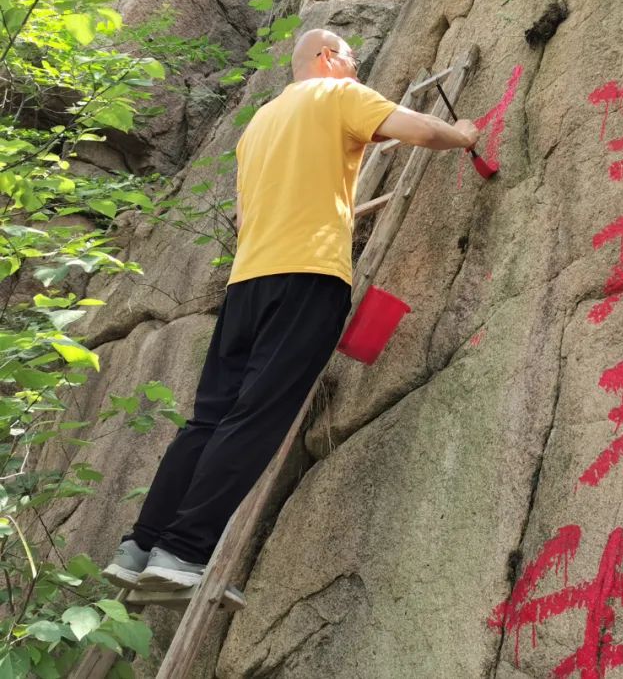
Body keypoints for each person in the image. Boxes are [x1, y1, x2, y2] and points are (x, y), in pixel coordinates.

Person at [103, 29, 480, 590]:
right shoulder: (338, 95)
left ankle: (140, 546)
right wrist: (465, 134)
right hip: (307, 276)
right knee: (257, 416)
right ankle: (182, 554)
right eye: (351, 58)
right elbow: (421, 129)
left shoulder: (257, 126)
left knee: (208, 418)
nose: (355, 67)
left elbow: (243, 210)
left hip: (247, 282)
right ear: (327, 58)